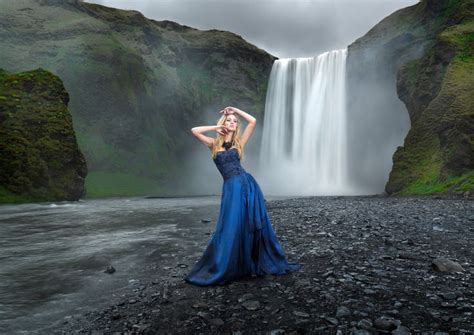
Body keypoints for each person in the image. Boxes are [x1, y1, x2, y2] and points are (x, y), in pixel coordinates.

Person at [184, 106, 302, 286]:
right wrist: (216, 128)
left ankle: (253, 262)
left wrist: (235, 111)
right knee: (231, 225)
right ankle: (230, 265)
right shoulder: (213, 144)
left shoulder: (239, 141)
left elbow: (253, 121)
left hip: (248, 185)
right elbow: (194, 130)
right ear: (223, 123)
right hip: (231, 187)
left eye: (234, 121)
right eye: (228, 120)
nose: (232, 123)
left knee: (251, 223)